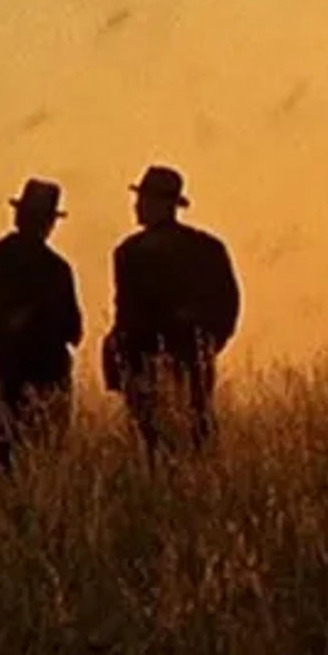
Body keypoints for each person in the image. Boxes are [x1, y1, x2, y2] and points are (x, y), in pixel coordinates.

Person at [102, 165, 240, 461]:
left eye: (144, 199)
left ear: (164, 204)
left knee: (154, 443)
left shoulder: (129, 252)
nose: (137, 206)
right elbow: (227, 308)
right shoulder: (208, 249)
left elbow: (125, 314)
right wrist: (206, 349)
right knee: (196, 435)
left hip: (147, 362)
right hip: (184, 360)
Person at [0, 178, 83, 473]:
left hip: (3, 379)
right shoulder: (58, 269)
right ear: (49, 223)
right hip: (50, 380)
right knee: (48, 464)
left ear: (18, 215)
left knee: (5, 461)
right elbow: (74, 331)